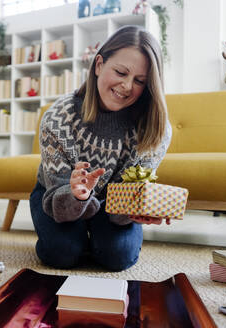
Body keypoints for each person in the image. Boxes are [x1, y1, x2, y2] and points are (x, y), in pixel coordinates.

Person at [29, 25, 172, 272]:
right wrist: (76, 194)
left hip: (111, 205)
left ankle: (94, 239)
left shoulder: (153, 129)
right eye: (120, 72)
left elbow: (120, 210)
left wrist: (136, 209)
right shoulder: (59, 116)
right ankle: (80, 240)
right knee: (62, 254)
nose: (127, 86)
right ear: (98, 65)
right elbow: (58, 203)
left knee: (118, 257)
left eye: (140, 81)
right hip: (57, 197)